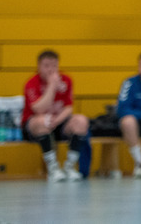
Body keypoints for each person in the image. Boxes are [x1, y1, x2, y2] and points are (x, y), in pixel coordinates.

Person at [22, 50, 90, 182]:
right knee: (42, 121)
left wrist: (57, 120)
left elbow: (68, 107)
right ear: (39, 66)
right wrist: (52, 86)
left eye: (54, 65)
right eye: (46, 66)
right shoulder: (31, 83)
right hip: (36, 126)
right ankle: (53, 168)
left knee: (81, 121)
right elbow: (38, 109)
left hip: (58, 123)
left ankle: (69, 167)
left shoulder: (66, 81)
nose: (50, 69)